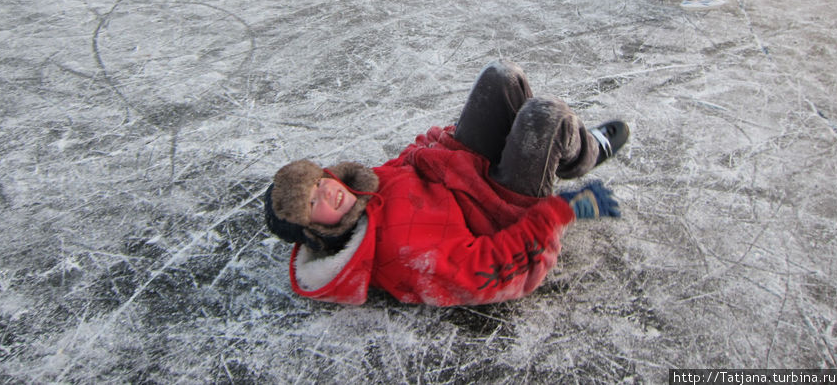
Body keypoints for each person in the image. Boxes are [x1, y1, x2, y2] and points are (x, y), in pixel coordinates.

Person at [263, 59, 629, 306]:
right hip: (498, 210)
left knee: (502, 78)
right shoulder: (402, 255)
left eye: (317, 183)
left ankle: (548, 156)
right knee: (546, 117)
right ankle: (584, 153)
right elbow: (486, 275)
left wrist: (436, 143)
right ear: (316, 234)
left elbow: (405, 163)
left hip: (463, 173)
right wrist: (556, 215)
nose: (325, 192)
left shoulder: (360, 192)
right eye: (313, 204)